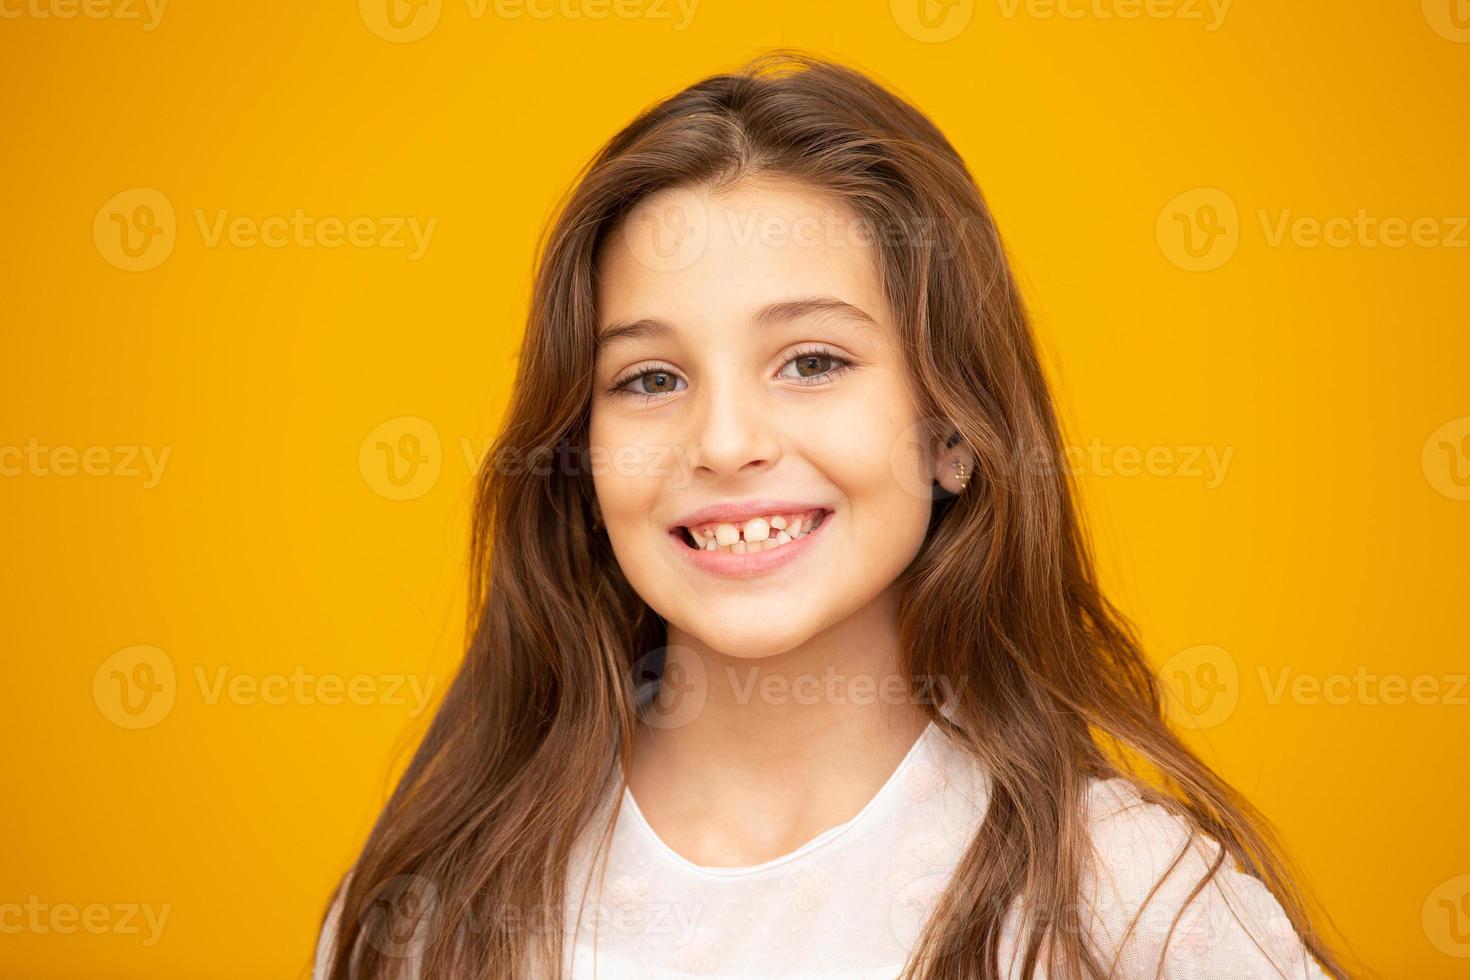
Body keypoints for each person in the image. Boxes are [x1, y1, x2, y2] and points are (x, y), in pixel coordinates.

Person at [314, 52, 1348, 979]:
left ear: (951, 428)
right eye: (650, 376)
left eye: (813, 361)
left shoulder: (1128, 898)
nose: (724, 441)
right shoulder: (429, 910)